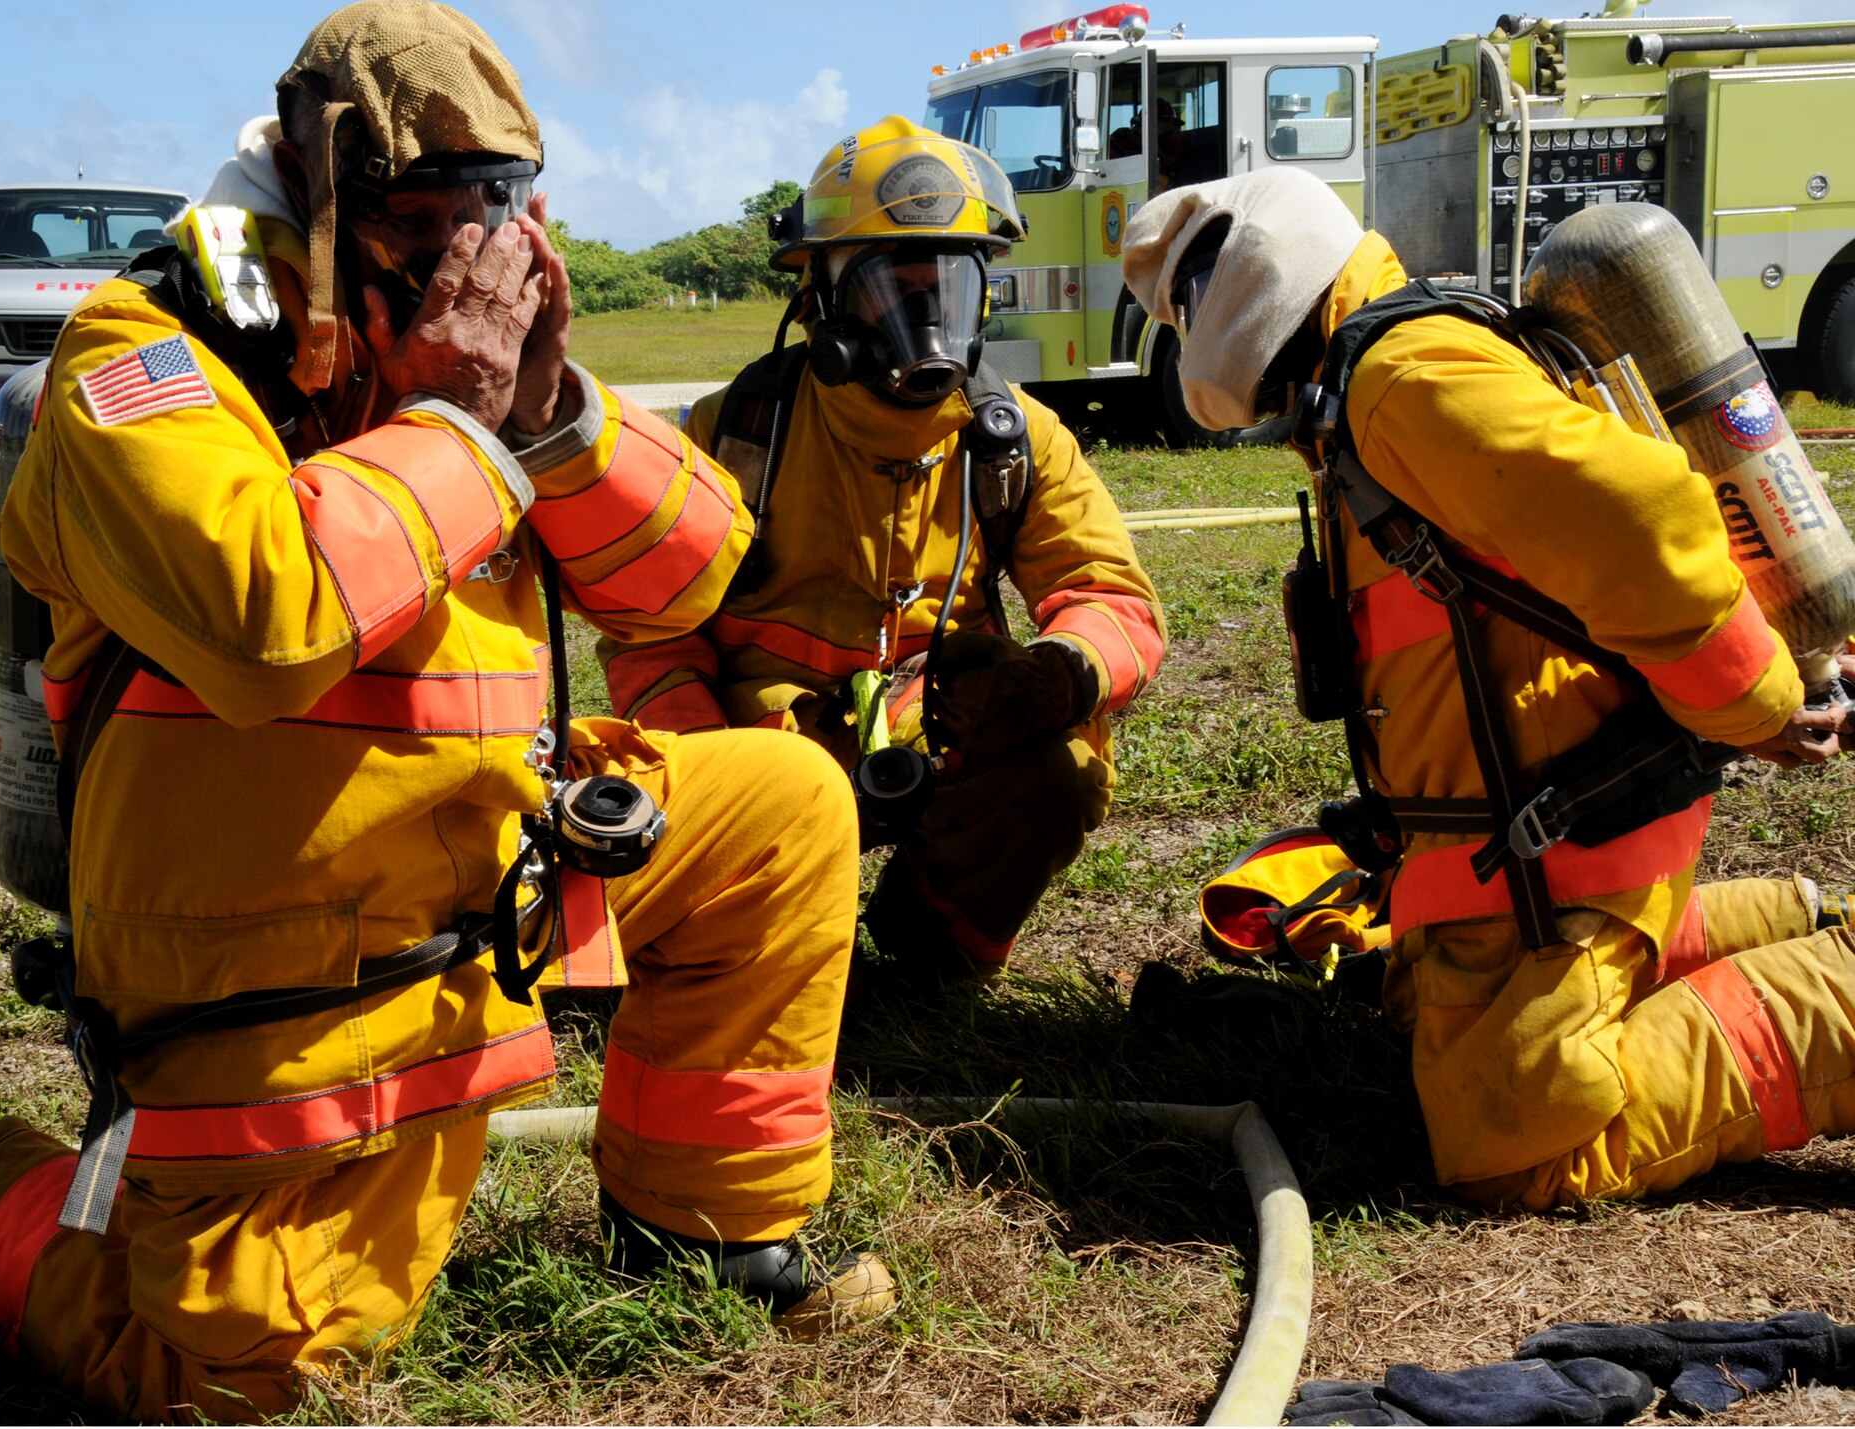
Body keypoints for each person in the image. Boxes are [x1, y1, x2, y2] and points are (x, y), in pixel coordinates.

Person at [0, 5, 890, 1419]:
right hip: (281, 968)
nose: (473, 246)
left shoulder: (463, 361)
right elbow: (261, 620)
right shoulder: (142, 353)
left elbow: (692, 572)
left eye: (499, 203)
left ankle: (706, 1231)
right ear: (314, 179)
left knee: (780, 812)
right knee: (232, 1372)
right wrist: (458, 426)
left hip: (481, 877)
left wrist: (547, 416)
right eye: (430, 205)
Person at [1120, 166, 1855, 1209]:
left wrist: (1760, 702)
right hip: (1516, 864)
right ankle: (1795, 920)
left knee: (1519, 1139)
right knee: (1431, 1032)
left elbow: (1642, 523)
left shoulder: (1400, 378)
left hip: (1564, 856)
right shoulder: (1371, 379)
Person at [600, 118, 1166, 993]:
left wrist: (1061, 672)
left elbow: (1110, 594)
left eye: (947, 288)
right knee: (708, 929)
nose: (924, 324)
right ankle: (755, 928)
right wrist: (716, 767)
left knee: (1060, 771)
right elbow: (647, 633)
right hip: (763, 744)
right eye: (890, 293)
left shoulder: (1016, 439)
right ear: (822, 300)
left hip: (943, 736)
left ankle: (933, 949)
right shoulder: (736, 433)